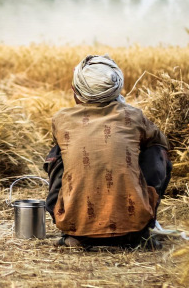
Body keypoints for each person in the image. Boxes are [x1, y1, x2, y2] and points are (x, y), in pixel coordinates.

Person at [44, 55, 172, 249]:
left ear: (75, 91)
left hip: (75, 228)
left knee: (59, 152)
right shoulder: (134, 116)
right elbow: (162, 144)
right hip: (133, 230)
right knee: (156, 150)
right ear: (117, 88)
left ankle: (74, 227)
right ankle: (142, 226)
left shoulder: (61, 120)